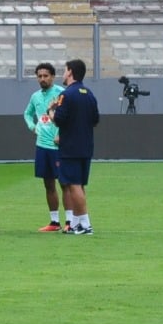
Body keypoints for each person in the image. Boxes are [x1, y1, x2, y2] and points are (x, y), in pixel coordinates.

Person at [50, 58, 100, 234]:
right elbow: (95, 120)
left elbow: (59, 120)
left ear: (70, 72)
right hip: (86, 145)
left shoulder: (66, 94)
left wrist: (51, 110)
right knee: (79, 185)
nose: (63, 74)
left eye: (64, 70)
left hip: (70, 147)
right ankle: (78, 223)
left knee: (73, 184)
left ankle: (86, 225)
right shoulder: (89, 93)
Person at [24, 61, 66, 231]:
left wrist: (60, 133)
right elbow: (27, 113)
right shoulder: (35, 97)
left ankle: (70, 221)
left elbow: (69, 117)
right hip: (42, 146)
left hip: (57, 146)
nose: (42, 79)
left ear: (53, 77)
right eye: (39, 76)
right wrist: (32, 126)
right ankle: (54, 222)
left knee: (65, 184)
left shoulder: (61, 94)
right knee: (48, 184)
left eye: (46, 76)